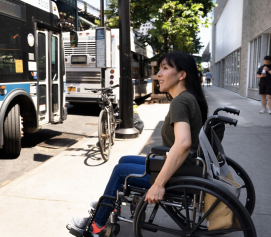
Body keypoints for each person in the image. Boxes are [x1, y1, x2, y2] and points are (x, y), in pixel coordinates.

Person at [68, 52, 208, 237]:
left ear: (182, 74)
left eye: (165, 68)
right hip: (186, 168)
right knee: (124, 160)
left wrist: (158, 185)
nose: (158, 74)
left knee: (120, 173)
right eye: (159, 68)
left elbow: (183, 144)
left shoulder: (181, 102)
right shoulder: (188, 98)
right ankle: (109, 205)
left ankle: (96, 226)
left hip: (178, 174)